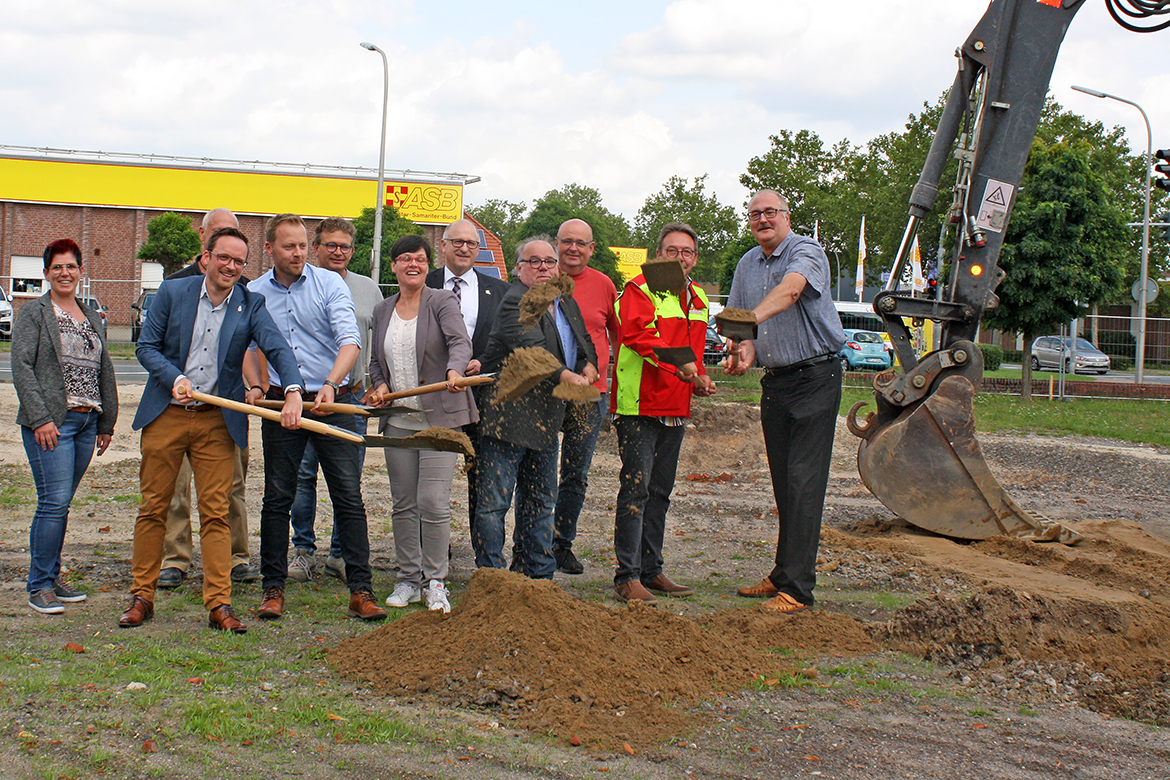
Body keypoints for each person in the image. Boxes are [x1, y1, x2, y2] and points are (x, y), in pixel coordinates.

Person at [120, 227, 304, 633]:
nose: (231, 267)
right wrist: (174, 377)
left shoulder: (250, 304)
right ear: (207, 258)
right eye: (224, 258)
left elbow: (276, 348)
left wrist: (292, 390)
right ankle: (142, 598)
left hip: (216, 421)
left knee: (216, 513)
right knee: (153, 507)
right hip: (166, 413)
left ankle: (219, 603)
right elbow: (146, 347)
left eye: (239, 262)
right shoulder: (173, 293)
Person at [244, 213, 386, 621]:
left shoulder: (329, 284)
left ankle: (361, 590)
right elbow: (248, 348)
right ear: (270, 248)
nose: (299, 253)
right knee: (278, 497)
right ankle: (273, 589)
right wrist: (255, 384)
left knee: (348, 496)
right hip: (280, 405)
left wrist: (330, 383)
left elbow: (350, 340)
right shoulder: (253, 293)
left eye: (304, 245)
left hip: (333, 402)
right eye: (290, 246)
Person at [725, 190, 845, 614]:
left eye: (770, 212)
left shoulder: (806, 250)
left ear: (786, 217)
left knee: (803, 483)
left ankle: (798, 590)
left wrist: (747, 323)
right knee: (784, 484)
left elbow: (791, 292)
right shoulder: (746, 264)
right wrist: (743, 349)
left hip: (816, 377)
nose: (763, 220)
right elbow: (745, 330)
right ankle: (781, 574)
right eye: (755, 214)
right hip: (776, 384)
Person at [473, 236, 597, 579]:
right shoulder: (516, 302)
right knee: (495, 504)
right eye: (534, 262)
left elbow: (584, 343)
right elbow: (534, 354)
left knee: (542, 502)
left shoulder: (564, 301)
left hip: (545, 419)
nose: (544, 268)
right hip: (509, 420)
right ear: (519, 268)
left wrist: (589, 365)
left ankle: (538, 576)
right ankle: (492, 577)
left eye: (549, 261)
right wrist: (569, 375)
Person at [367, 235, 476, 613]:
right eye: (404, 259)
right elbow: (375, 363)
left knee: (432, 500)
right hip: (399, 420)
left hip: (439, 418)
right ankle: (408, 578)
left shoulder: (442, 301)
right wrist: (380, 387)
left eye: (420, 258)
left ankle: (435, 581)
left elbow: (460, 343)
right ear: (394, 266)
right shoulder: (383, 310)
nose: (412, 264)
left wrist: (453, 370)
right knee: (403, 503)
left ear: (428, 265)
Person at [610, 223, 715, 603]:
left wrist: (700, 375)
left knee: (660, 492)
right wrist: (685, 369)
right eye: (671, 251)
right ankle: (627, 576)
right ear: (658, 255)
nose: (679, 258)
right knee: (636, 490)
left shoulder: (699, 297)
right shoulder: (639, 287)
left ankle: (651, 570)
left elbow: (696, 350)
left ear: (695, 258)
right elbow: (639, 337)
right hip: (639, 405)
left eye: (686, 252)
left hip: (676, 404)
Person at [13, 239, 118, 615]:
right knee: (53, 503)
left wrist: (106, 421)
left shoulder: (89, 314)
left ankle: (52, 576)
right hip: (52, 424)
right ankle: (39, 585)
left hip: (87, 423)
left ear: (80, 271)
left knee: (62, 504)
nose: (64, 273)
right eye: (56, 267)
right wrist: (40, 418)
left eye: (70, 266)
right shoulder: (34, 313)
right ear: (46, 274)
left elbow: (103, 368)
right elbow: (22, 367)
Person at [158, 208, 259, 589]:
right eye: (220, 238)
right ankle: (174, 559)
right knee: (175, 488)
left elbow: (251, 347)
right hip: (176, 408)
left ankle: (235, 557)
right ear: (205, 241)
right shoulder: (175, 287)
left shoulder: (246, 293)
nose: (229, 263)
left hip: (225, 410)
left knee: (231, 488)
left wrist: (256, 386)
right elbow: (157, 347)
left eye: (236, 247)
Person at [288, 216, 384, 584]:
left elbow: (376, 343)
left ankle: (342, 554)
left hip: (349, 398)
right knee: (302, 476)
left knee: (348, 480)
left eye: (345, 246)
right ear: (316, 248)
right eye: (331, 245)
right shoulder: (299, 284)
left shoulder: (368, 289)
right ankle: (304, 551)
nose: (338, 252)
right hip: (305, 397)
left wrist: (376, 384)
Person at [425, 219, 510, 537]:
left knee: (482, 475)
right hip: (434, 395)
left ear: (478, 250)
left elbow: (506, 341)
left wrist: (483, 361)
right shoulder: (424, 283)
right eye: (457, 242)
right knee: (434, 477)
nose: (464, 248)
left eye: (471, 244)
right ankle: (434, 547)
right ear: (443, 245)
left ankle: (483, 549)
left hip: (481, 397)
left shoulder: (500, 292)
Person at [550, 218, 619, 574]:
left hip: (590, 395)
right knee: (538, 469)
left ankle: (561, 543)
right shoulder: (542, 279)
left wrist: (614, 381)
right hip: (546, 392)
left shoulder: (604, 285)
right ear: (556, 244)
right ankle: (532, 542)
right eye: (567, 242)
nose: (573, 249)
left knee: (575, 472)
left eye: (581, 243)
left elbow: (616, 336)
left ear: (592, 249)